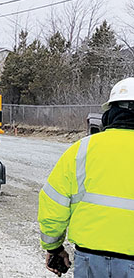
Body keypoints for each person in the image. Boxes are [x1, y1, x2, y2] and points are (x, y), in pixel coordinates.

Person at [38, 77, 134, 277]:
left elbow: (53, 202)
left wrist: (54, 248)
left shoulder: (82, 149)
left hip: (90, 259)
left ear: (110, 114)